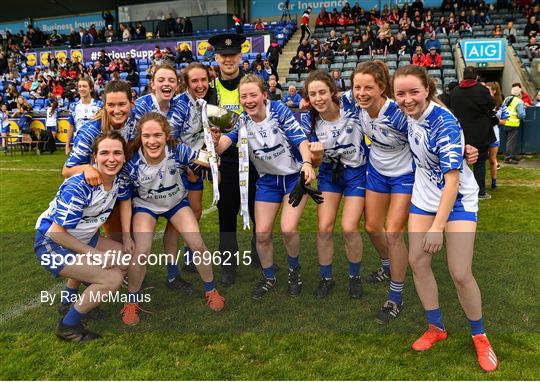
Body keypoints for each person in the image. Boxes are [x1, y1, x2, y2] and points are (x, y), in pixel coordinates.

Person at [393, 64, 498, 373]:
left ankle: (479, 335)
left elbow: (452, 182)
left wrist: (438, 227)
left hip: (457, 198)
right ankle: (436, 327)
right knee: (417, 260)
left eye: (414, 92)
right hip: (424, 196)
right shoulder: (408, 112)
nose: (407, 99)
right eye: (401, 93)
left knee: (460, 272)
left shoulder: (444, 123)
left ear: (428, 89)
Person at [215, 75, 315, 299]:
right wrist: (213, 141)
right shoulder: (241, 120)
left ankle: (294, 273)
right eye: (243, 96)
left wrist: (307, 162)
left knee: (288, 229)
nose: (248, 100)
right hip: (268, 181)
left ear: (264, 95)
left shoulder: (278, 110)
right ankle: (269, 276)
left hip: (293, 179)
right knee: (261, 234)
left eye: (253, 95)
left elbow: (300, 140)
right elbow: (223, 145)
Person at [119, 113, 225, 325]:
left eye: (157, 135)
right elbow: (124, 201)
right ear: (140, 136)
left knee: (197, 244)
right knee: (141, 252)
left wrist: (213, 157)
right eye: (146, 136)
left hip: (176, 203)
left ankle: (211, 290)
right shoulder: (131, 163)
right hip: (146, 206)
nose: (152, 141)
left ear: (166, 135)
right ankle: (131, 301)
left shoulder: (177, 151)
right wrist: (126, 236)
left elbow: (211, 165)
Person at [34, 131, 128, 342]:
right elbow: (57, 232)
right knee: (112, 278)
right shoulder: (79, 186)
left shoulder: (118, 179)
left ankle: (69, 300)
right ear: (94, 157)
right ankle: (68, 325)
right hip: (51, 242)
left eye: (117, 153)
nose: (111, 159)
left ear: (124, 157)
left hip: (81, 237)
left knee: (125, 259)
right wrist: (95, 254)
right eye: (104, 153)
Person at [352, 61, 414, 322]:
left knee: (393, 233)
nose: (361, 93)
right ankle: (388, 267)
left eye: (368, 87)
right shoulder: (357, 105)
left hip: (404, 175)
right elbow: (328, 99)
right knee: (372, 227)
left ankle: (395, 296)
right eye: (357, 87)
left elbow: (425, 129)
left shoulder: (398, 114)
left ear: (382, 88)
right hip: (376, 172)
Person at [301, 70, 367, 299]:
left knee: (349, 227)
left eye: (322, 92)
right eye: (312, 94)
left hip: (357, 173)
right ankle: (326, 278)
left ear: (332, 92)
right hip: (330, 174)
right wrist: (316, 156)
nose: (318, 98)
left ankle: (354, 277)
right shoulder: (308, 120)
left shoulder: (351, 108)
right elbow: (316, 164)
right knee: (324, 228)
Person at [131, 62, 197, 292]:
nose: (166, 84)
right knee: (131, 232)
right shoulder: (141, 106)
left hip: (173, 173)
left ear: (177, 85)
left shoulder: (180, 105)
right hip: (144, 174)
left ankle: (172, 275)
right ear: (153, 83)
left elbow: (181, 139)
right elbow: (134, 141)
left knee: (174, 224)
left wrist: (185, 161)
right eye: (161, 79)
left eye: (171, 80)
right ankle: (126, 275)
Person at [206, 33, 260, 285]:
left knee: (259, 210)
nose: (228, 60)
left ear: (240, 55)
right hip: (225, 162)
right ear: (216, 57)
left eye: (233, 55)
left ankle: (260, 252)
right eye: (223, 56)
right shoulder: (209, 90)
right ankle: (228, 264)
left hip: (254, 159)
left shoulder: (253, 84)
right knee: (226, 214)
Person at [448, 66, 495, 199]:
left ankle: (458, 189)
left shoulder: (455, 92)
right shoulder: (482, 90)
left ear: (463, 76)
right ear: (476, 77)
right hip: (480, 133)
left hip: (461, 132)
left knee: (459, 162)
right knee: (479, 162)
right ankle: (480, 192)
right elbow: (491, 105)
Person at [66, 78, 103, 155]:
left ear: (91, 89)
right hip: (79, 145)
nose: (81, 89)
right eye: (79, 86)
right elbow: (71, 127)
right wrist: (67, 146)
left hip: (97, 145)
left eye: (84, 86)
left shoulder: (100, 105)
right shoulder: (73, 106)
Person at [485, 82, 509, 190]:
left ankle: (494, 183)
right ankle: (479, 184)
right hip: (482, 133)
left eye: (487, 89)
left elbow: (505, 121)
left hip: (494, 134)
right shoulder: (481, 102)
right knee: (479, 160)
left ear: (494, 91)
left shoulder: (501, 105)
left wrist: (495, 120)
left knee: (492, 159)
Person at [502, 85, 526, 164]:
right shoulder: (519, 101)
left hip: (505, 122)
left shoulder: (506, 99)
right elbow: (521, 115)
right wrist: (524, 109)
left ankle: (512, 155)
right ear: (519, 93)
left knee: (508, 141)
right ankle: (508, 158)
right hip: (513, 123)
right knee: (511, 142)